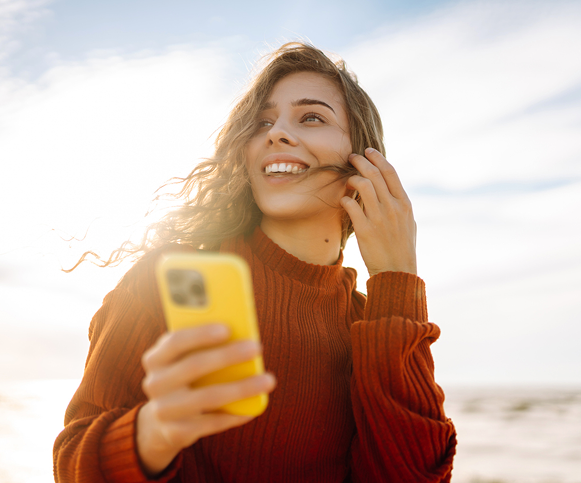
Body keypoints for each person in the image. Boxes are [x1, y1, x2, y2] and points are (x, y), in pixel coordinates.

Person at [53, 42, 457, 483]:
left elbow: (414, 476)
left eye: (312, 117)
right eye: (263, 122)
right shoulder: (178, 279)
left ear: (367, 164)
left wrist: (396, 280)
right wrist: (154, 431)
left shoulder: (368, 322)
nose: (276, 133)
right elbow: (72, 464)